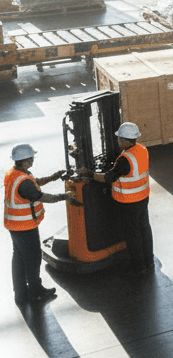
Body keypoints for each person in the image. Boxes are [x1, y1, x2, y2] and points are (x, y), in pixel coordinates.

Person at [5, 144, 77, 303]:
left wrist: (53, 177)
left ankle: (20, 293)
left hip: (14, 225)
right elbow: (40, 195)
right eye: (31, 158)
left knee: (18, 258)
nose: (32, 160)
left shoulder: (14, 173)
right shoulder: (23, 182)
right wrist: (64, 196)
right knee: (33, 258)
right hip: (24, 226)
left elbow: (35, 182)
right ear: (24, 161)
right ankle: (36, 292)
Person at [82, 124, 153, 277]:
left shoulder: (125, 159)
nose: (118, 142)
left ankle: (138, 266)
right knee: (144, 228)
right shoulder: (142, 149)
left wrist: (90, 174)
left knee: (132, 234)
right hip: (143, 197)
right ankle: (149, 260)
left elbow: (108, 178)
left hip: (129, 202)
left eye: (120, 139)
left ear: (126, 140)